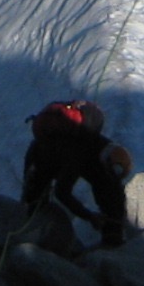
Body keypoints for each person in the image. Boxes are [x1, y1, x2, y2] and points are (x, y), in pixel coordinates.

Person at [23, 99, 129, 247]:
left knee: (33, 202)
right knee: (109, 189)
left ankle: (31, 235)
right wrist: (89, 217)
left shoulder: (92, 141)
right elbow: (62, 192)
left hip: (40, 154)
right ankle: (112, 235)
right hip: (47, 158)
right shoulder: (82, 153)